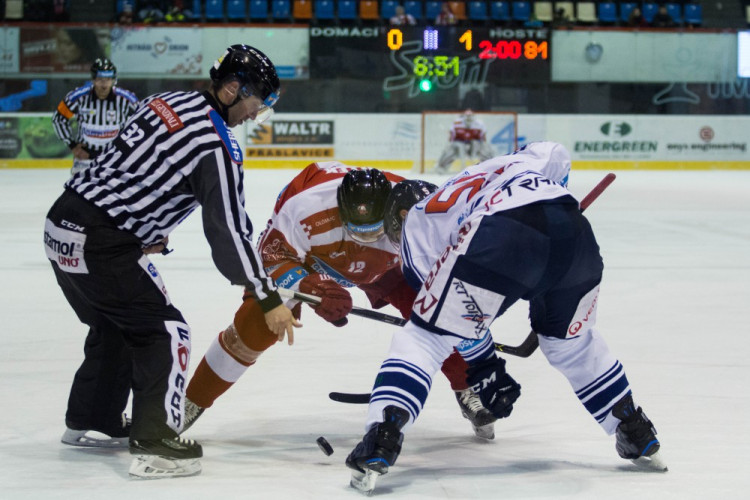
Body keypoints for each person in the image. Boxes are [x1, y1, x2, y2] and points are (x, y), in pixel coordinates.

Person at [344, 142, 666, 494]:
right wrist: (549, 203)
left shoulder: (416, 223)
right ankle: (635, 430)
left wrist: (485, 368)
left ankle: (381, 436)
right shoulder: (497, 167)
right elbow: (556, 153)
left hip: (504, 235)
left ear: (398, 218)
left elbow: (453, 324)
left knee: (423, 338)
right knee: (572, 345)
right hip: (574, 235)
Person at [44, 44, 298, 479]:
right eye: (259, 102)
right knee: (164, 330)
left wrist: (143, 226)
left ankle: (92, 418)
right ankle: (155, 442)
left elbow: (132, 164)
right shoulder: (217, 145)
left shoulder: (168, 100)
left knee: (115, 324)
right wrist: (266, 295)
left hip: (63, 224)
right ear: (233, 89)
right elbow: (228, 234)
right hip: (101, 241)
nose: (257, 114)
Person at [183, 163, 498, 440]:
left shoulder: (416, 211)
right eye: (355, 229)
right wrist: (313, 289)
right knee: (257, 325)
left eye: (371, 230)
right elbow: (269, 256)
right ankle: (192, 400)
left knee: (442, 319)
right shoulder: (306, 208)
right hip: (314, 259)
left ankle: (466, 386)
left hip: (389, 265)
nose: (363, 237)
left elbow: (454, 267)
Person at [52, 58, 139, 176]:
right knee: (78, 191)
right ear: (93, 79)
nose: (104, 85)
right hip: (85, 155)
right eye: (100, 79)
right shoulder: (77, 97)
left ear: (114, 80)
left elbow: (141, 121)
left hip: (114, 155)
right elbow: (58, 119)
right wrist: (72, 145)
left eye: (108, 79)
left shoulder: (127, 99)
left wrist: (129, 147)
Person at [434, 109, 495, 174]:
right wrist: (449, 145)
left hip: (474, 144)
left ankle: (490, 167)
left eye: (470, 116)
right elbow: (452, 136)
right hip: (459, 144)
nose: (468, 118)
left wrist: (485, 147)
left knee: (484, 150)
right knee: (450, 150)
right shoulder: (457, 123)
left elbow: (483, 138)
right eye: (467, 116)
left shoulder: (479, 124)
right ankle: (441, 167)